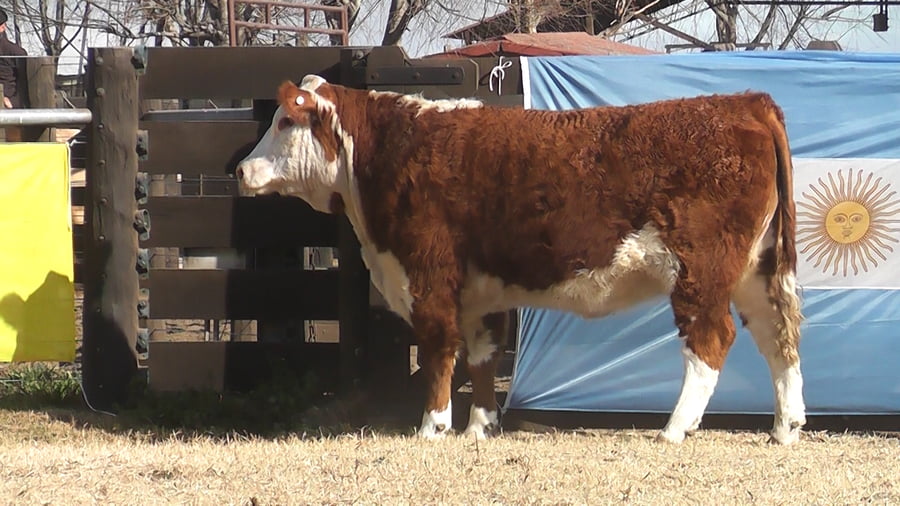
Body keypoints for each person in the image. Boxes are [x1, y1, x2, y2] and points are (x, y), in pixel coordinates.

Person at [0, 8, 27, 109]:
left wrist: (11, 101)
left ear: (3, 27)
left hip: (7, 106)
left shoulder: (15, 52)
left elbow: (26, 84)